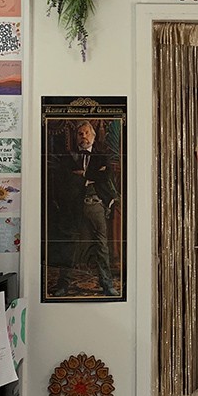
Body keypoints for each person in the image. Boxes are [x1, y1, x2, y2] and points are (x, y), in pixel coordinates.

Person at [50, 120, 118, 296]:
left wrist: (83, 175)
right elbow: (63, 181)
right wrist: (90, 177)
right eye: (80, 133)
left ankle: (107, 284)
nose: (84, 136)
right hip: (74, 207)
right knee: (70, 244)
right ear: (76, 137)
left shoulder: (102, 156)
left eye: (87, 133)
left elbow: (105, 176)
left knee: (102, 246)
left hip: (97, 205)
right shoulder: (68, 157)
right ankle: (63, 285)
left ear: (93, 137)